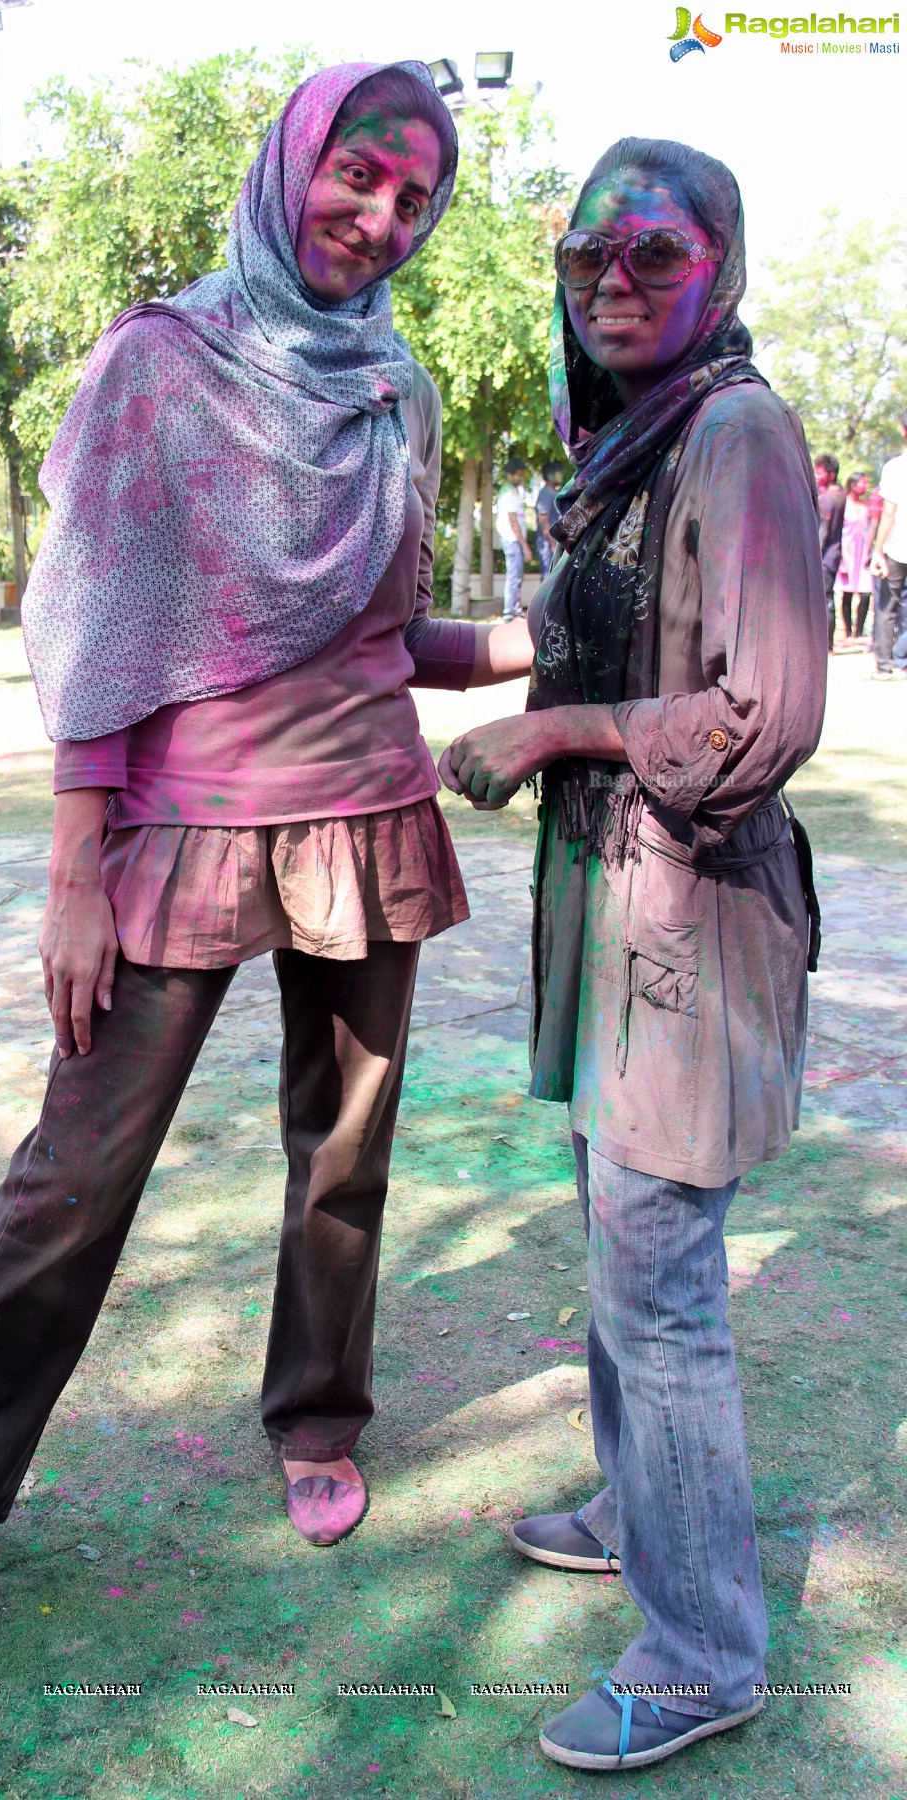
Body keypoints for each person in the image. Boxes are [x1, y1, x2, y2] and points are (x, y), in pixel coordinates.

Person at [0, 59, 525, 1659]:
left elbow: (382, 630)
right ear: (291, 162)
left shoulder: (392, 388)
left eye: (415, 198)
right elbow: (105, 619)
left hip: (360, 806)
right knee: (72, 1177)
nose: (380, 216)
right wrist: (76, 867)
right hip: (176, 828)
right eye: (359, 174)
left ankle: (318, 1418)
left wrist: (531, 643)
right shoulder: (162, 358)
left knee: (342, 1151)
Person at [441, 137, 825, 1771]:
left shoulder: (734, 434)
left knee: (660, 1291)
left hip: (694, 931)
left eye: (652, 258)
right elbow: (573, 634)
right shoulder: (628, 450)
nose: (610, 282)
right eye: (588, 256)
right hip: (617, 921)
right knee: (618, 1243)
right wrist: (407, 644)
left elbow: (766, 713)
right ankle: (631, 1512)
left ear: (721, 276)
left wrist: (553, 741)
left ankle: (703, 1651)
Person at [871, 412, 907, 678]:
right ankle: (903, 662)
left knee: (886, 607)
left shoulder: (896, 467)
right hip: (896, 548)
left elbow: (889, 513)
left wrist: (877, 550)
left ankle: (885, 666)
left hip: (896, 547)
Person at [834, 471, 874, 646]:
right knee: (847, 593)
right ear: (853, 484)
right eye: (862, 483)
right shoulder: (844, 504)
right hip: (847, 553)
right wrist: (840, 558)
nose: (865, 486)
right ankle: (848, 632)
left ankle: (859, 631)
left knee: (866, 593)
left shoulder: (866, 506)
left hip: (863, 554)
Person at [815, 452, 845, 654]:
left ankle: (826, 645)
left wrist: (814, 556)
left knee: (825, 601)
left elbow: (822, 533)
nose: (816, 476)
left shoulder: (828, 499)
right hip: (834, 555)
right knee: (829, 599)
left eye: (819, 472)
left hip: (825, 557)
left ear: (831, 474)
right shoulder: (840, 493)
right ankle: (829, 644)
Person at [495, 457, 530, 618]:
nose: (520, 478)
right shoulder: (509, 492)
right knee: (514, 575)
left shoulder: (511, 490)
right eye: (518, 474)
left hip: (512, 540)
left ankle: (514, 608)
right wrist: (525, 546)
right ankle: (510, 611)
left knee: (516, 575)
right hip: (512, 539)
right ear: (509, 474)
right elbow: (513, 521)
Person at [534, 460, 563, 579]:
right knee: (548, 577)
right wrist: (552, 544)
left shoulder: (553, 493)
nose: (561, 475)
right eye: (558, 472)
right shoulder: (545, 493)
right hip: (547, 543)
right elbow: (543, 520)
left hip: (552, 542)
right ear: (551, 475)